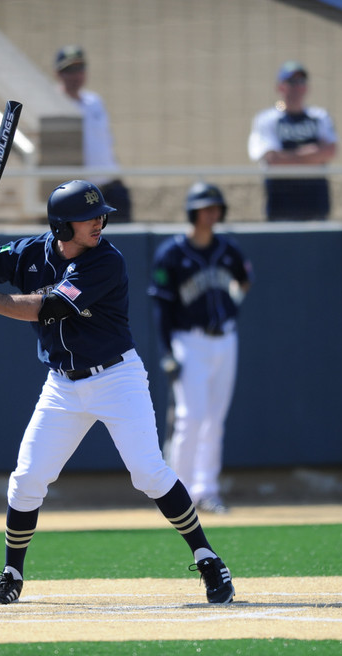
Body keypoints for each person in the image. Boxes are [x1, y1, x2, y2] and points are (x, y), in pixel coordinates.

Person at [0, 179, 235, 605]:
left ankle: (208, 558)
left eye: (100, 215)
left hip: (116, 378)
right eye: (88, 218)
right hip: (62, 385)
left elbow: (47, 307)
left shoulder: (106, 261)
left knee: (148, 472)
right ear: (62, 227)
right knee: (27, 477)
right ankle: (11, 574)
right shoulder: (33, 251)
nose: (99, 222)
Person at [148, 183, 252, 514]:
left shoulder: (228, 248)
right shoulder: (172, 253)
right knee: (190, 418)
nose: (212, 213)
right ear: (193, 212)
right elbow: (161, 308)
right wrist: (166, 352)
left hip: (225, 339)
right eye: (206, 208)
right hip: (188, 340)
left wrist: (233, 303)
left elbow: (244, 278)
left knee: (215, 419)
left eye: (215, 208)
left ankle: (207, 490)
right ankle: (178, 495)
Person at [247, 61, 338, 221]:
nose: (297, 87)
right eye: (291, 81)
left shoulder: (320, 116)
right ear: (280, 87)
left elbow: (330, 151)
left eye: (301, 81)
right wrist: (312, 154)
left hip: (316, 200)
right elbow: (272, 159)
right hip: (281, 202)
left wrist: (288, 157)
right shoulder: (267, 119)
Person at [54, 45, 132, 222]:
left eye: (80, 69)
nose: (76, 75)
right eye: (69, 70)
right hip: (80, 192)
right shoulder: (53, 103)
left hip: (110, 186)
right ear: (58, 73)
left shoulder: (94, 101)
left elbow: (105, 141)